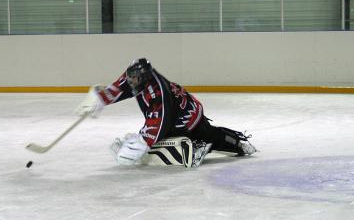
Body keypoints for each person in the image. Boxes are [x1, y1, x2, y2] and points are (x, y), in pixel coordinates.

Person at [76, 58, 256, 165]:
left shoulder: (158, 92)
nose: (131, 81)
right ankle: (203, 143)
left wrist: (142, 142)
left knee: (208, 135)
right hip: (177, 109)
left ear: (144, 78)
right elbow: (121, 87)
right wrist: (100, 97)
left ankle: (203, 146)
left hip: (186, 116)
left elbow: (161, 123)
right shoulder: (137, 77)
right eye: (130, 77)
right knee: (202, 132)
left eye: (134, 78)